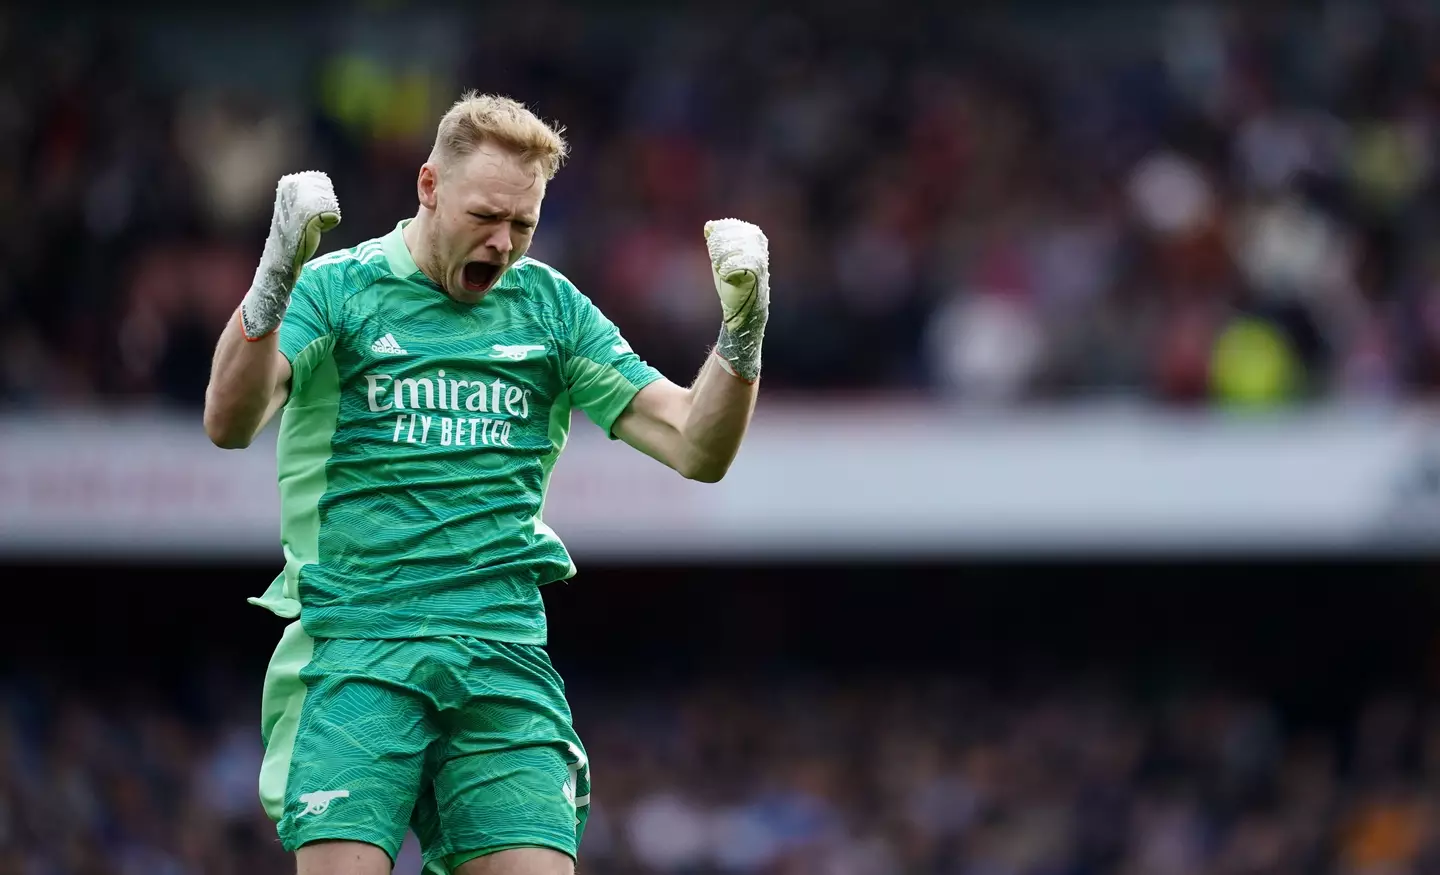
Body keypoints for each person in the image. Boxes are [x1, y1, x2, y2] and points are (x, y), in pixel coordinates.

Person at [202, 91, 770, 875]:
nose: (504, 244)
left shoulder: (551, 309)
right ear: (429, 185)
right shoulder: (337, 287)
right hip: (362, 645)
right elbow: (230, 420)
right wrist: (274, 279)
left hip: (501, 653)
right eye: (487, 216)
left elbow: (694, 445)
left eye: (524, 225)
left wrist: (741, 334)